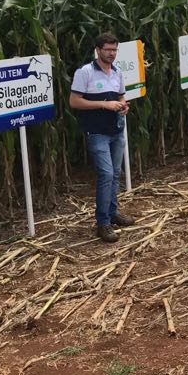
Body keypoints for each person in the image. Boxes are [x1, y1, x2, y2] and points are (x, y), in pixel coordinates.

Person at [69, 33, 135, 242]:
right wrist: (104, 104)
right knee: (106, 175)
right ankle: (102, 223)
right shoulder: (85, 72)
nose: (112, 54)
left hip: (116, 130)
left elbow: (121, 95)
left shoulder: (117, 72)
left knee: (115, 174)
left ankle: (112, 213)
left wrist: (123, 106)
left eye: (115, 50)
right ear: (98, 50)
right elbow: (74, 102)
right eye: (108, 50)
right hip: (97, 132)